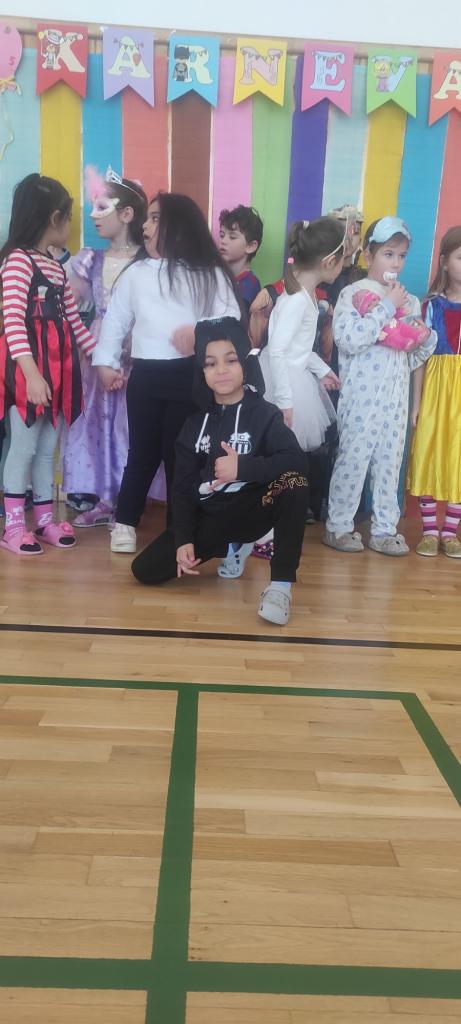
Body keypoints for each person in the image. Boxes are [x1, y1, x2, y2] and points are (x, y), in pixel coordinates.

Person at [131, 317, 309, 626]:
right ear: (202, 371)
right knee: (144, 570)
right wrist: (184, 539)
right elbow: (182, 487)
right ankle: (232, 547)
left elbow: (297, 461)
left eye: (230, 360)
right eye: (211, 363)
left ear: (245, 363)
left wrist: (244, 467)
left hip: (252, 509)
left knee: (295, 482)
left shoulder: (265, 414)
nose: (221, 370)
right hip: (210, 518)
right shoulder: (192, 424)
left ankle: (280, 588)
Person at [92, 192, 241, 554]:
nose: (146, 225)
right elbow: (116, 320)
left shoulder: (208, 274)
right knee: (141, 453)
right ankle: (126, 522)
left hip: (189, 379)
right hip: (145, 376)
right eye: (147, 218)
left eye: (155, 218)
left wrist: (199, 330)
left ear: (179, 226)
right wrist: (105, 361)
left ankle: (180, 529)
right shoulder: (136, 274)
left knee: (182, 456)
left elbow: (231, 318)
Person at [324, 215, 436, 555]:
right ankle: (338, 527)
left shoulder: (409, 301)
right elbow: (349, 340)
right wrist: (387, 307)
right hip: (361, 400)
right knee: (353, 460)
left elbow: (413, 356)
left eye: (401, 256)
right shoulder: (353, 294)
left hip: (395, 402)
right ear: (369, 255)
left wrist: (425, 337)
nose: (396, 263)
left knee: (390, 465)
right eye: (389, 254)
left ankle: (385, 530)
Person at [0, 173, 94, 556]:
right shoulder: (17, 262)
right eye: (69, 217)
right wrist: (32, 374)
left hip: (57, 374)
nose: (71, 225)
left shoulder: (55, 266)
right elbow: (12, 321)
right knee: (22, 448)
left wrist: (101, 356)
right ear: (54, 218)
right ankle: (13, 526)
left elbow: (74, 322)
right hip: (28, 376)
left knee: (45, 451)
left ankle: (43, 520)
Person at [61, 166, 154, 529]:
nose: (93, 215)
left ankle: (127, 500)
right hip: (97, 352)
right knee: (97, 424)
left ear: (127, 214)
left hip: (136, 352)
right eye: (92, 206)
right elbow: (68, 303)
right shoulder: (90, 260)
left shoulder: (148, 262)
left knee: (130, 427)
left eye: (102, 207)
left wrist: (134, 340)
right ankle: (104, 498)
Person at [259, 217, 343, 451]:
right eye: (342, 260)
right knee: (283, 452)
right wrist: (285, 401)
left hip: (292, 376)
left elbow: (298, 348)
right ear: (329, 262)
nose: (342, 266)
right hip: (283, 384)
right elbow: (277, 351)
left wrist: (322, 370)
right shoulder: (297, 300)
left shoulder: (306, 294)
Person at [407, 226, 461, 558]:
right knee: (427, 452)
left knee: (458, 459)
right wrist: (416, 404)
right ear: (444, 261)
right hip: (435, 392)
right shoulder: (430, 307)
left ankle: (451, 532)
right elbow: (419, 360)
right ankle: (429, 530)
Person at [218, 205, 263, 313]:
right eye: (222, 235)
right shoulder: (218, 277)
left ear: (250, 246)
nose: (223, 241)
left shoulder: (250, 285)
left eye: (232, 237)